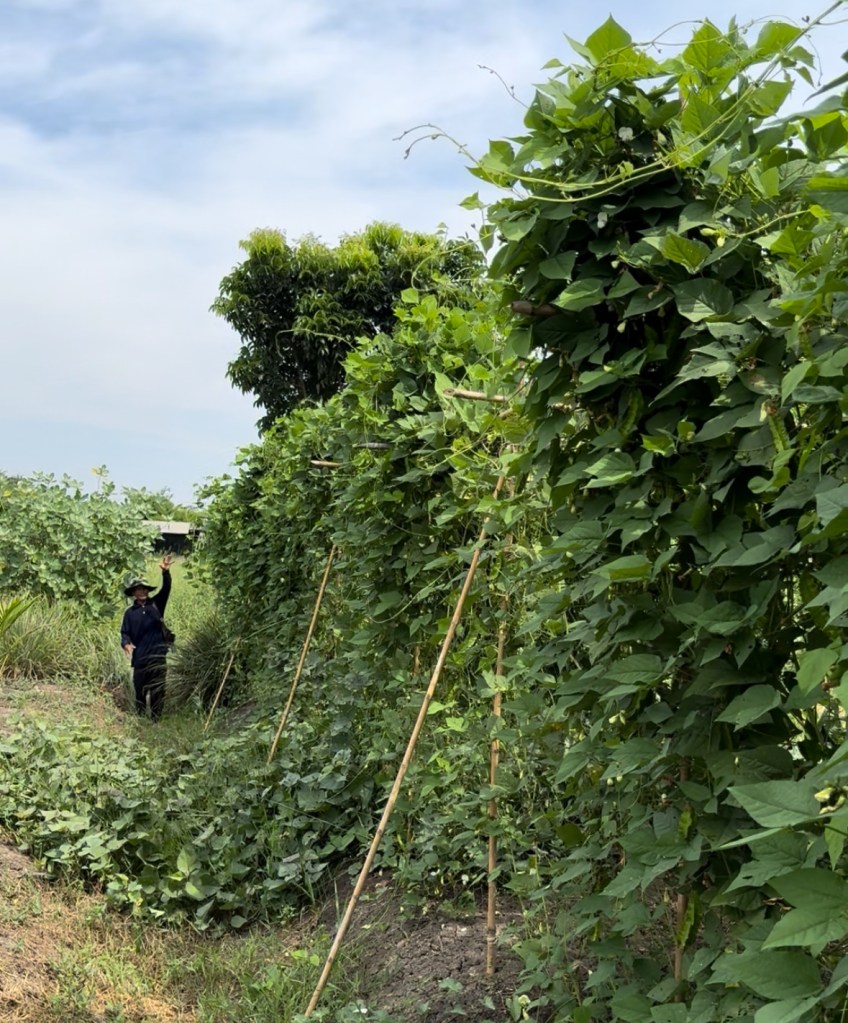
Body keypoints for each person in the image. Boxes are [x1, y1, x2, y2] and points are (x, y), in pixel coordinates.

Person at [121, 556, 174, 719]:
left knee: (158, 690)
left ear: (147, 591)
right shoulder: (129, 613)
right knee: (140, 690)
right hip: (140, 659)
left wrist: (165, 572)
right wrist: (126, 644)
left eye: (144, 589)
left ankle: (156, 720)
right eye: (138, 589)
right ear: (133, 593)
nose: (142, 591)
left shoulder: (156, 604)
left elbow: (166, 589)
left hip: (158, 656)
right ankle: (141, 719)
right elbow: (124, 632)